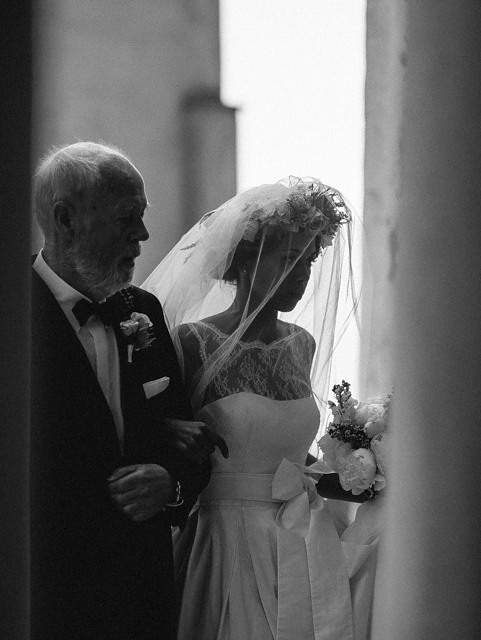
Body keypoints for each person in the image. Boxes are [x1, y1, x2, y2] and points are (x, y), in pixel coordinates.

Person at [143, 176, 363, 640]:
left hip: (302, 539)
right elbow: (159, 433)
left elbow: (291, 454)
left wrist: (361, 470)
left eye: (310, 260)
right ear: (246, 260)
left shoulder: (302, 345)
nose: (303, 275)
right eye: (290, 259)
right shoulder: (195, 342)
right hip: (227, 541)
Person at [29, 141, 226, 640]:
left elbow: (194, 445)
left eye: (142, 216)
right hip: (46, 593)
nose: (142, 235)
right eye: (126, 218)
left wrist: (169, 480)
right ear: (65, 219)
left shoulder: (145, 312)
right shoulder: (0, 321)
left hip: (142, 593)